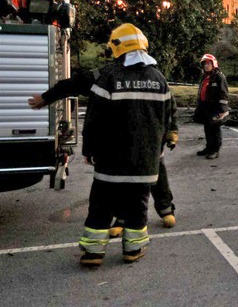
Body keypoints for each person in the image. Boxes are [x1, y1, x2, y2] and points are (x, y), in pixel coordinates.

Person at [28, 64, 179, 234]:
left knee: (155, 174)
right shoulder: (106, 74)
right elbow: (74, 85)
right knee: (122, 182)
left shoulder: (152, 75)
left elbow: (169, 104)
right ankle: (123, 218)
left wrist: (172, 130)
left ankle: (165, 208)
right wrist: (47, 97)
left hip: (149, 141)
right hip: (120, 143)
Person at [72, 23, 172, 266]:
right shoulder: (159, 80)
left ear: (117, 47)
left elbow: (94, 119)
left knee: (101, 207)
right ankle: (133, 250)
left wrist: (89, 149)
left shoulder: (109, 77)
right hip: (145, 163)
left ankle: (93, 253)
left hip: (110, 162)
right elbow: (167, 118)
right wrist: (159, 148)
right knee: (138, 208)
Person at [194, 54, 229, 160]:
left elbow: (224, 94)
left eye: (208, 63)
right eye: (204, 64)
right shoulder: (205, 77)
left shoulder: (219, 77)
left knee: (215, 128)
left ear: (213, 64)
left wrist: (222, 110)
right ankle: (209, 148)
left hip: (215, 107)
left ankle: (215, 150)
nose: (206, 66)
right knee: (207, 128)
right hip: (205, 107)